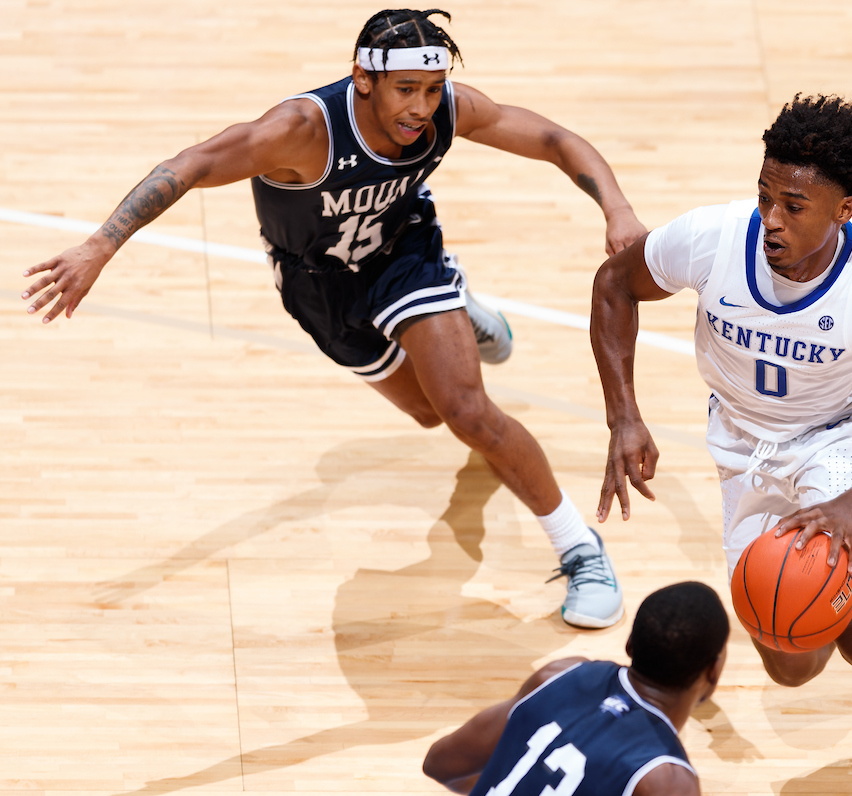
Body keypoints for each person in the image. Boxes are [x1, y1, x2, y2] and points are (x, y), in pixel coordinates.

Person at [20, 8, 639, 628]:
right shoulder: (299, 130)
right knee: (430, 413)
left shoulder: (449, 110)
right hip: (319, 284)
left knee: (466, 411)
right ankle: (465, 314)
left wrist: (615, 207)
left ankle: (579, 547)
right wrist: (100, 246)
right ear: (363, 79)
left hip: (403, 253)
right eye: (406, 89)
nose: (422, 108)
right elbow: (189, 166)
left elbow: (555, 140)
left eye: (432, 89)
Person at [590, 95, 852, 796]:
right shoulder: (712, 238)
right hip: (741, 444)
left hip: (837, 443)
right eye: (765, 196)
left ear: (844, 209)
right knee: (791, 655)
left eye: (794, 206)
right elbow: (613, 285)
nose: (771, 219)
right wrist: (623, 416)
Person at [422, 581, 729, 796]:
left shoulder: (559, 675)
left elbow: (440, 763)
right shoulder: (666, 783)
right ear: (713, 671)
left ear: (629, 644)